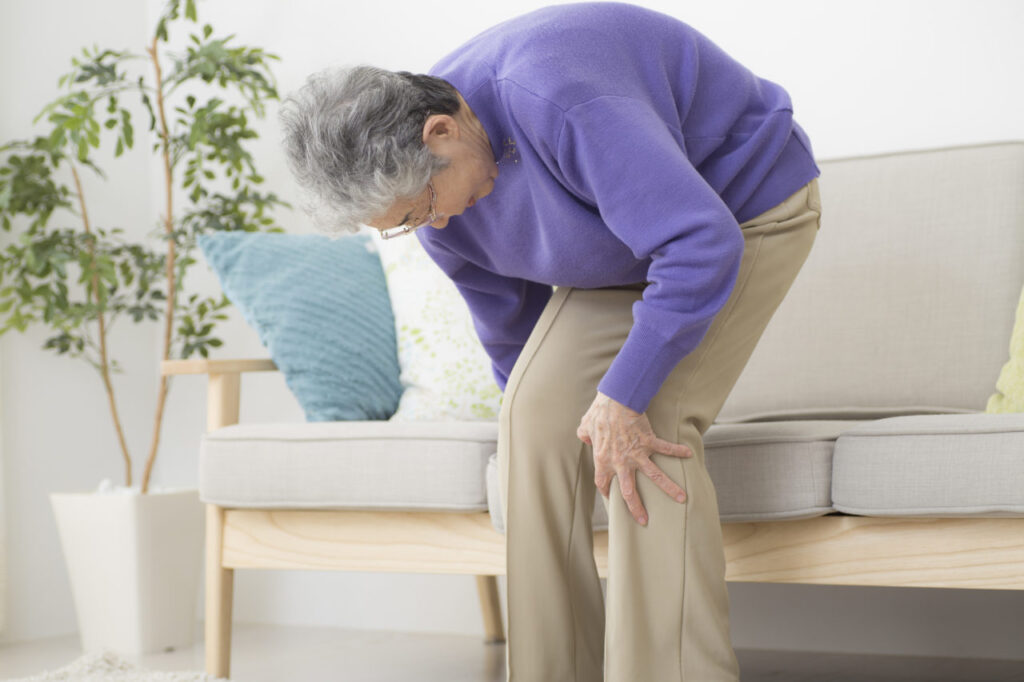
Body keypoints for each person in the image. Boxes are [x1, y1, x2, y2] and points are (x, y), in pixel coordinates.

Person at [278, 2, 822, 680]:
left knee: (646, 423)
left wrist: (622, 398)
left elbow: (698, 243)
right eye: (405, 224)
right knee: (531, 419)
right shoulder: (437, 207)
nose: (432, 227)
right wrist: (544, 410)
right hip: (626, 249)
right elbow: (513, 331)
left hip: (738, 211)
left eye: (424, 206)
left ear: (441, 131)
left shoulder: (556, 97)